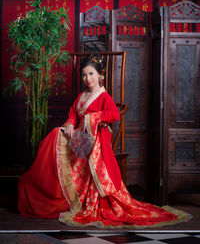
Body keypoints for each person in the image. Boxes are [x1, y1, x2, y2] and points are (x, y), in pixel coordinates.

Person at [18, 54, 191, 228]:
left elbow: (114, 114)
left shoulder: (103, 96)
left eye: (91, 74)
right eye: (84, 75)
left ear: (100, 75)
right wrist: (70, 124)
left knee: (58, 135)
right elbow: (72, 115)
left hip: (94, 140)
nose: (88, 78)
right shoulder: (81, 96)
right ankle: (44, 187)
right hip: (80, 137)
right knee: (56, 133)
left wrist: (93, 118)